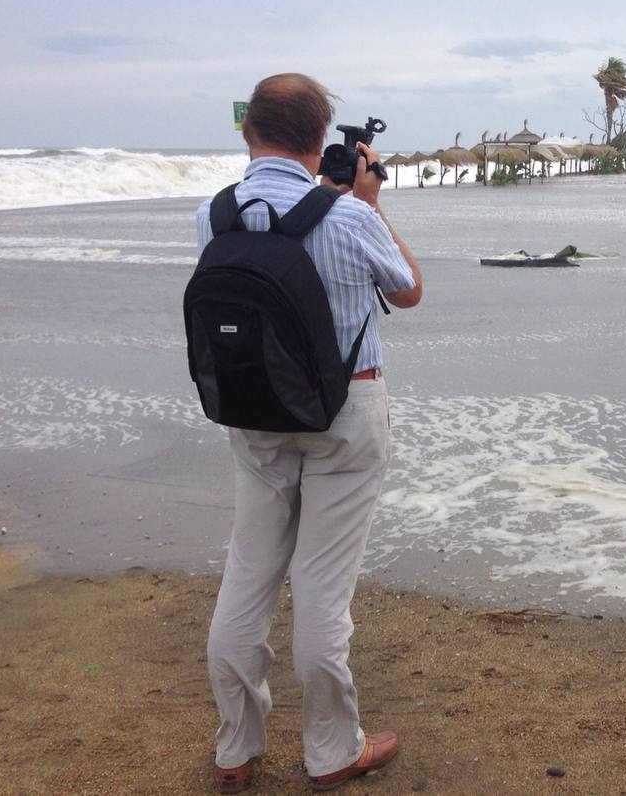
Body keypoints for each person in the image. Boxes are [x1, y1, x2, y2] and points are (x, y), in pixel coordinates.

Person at [197, 73, 422, 793]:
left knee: (248, 575)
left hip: (253, 414)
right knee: (322, 591)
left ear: (247, 131)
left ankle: (237, 746)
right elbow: (409, 289)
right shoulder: (348, 215)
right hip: (344, 416)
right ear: (322, 139)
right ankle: (332, 751)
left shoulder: (215, 213)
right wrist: (369, 204)